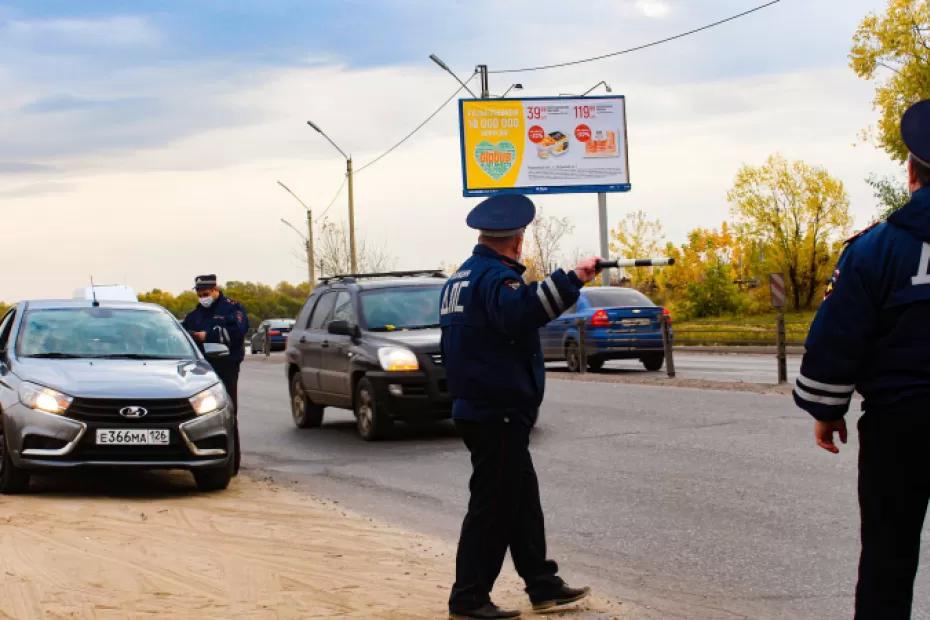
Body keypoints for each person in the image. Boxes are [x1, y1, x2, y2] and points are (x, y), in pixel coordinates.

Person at [793, 99, 930, 619]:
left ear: (911, 174)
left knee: (888, 559)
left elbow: (838, 337)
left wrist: (827, 410)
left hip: (900, 428)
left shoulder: (875, 249)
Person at [440, 194, 600, 620]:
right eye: (523, 237)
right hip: (496, 411)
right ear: (516, 239)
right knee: (493, 506)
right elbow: (522, 313)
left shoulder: (462, 277)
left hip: (483, 407)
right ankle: (469, 598)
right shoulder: (494, 279)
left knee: (520, 500)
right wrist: (572, 278)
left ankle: (542, 584)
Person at [182, 274, 249, 474]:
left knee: (228, 412)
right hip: (201, 369)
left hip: (226, 365)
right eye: (199, 294)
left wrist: (207, 336)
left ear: (215, 289)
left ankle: (231, 464)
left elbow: (237, 332)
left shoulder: (232, 308)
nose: (203, 297)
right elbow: (184, 334)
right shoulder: (195, 315)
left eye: (206, 293)